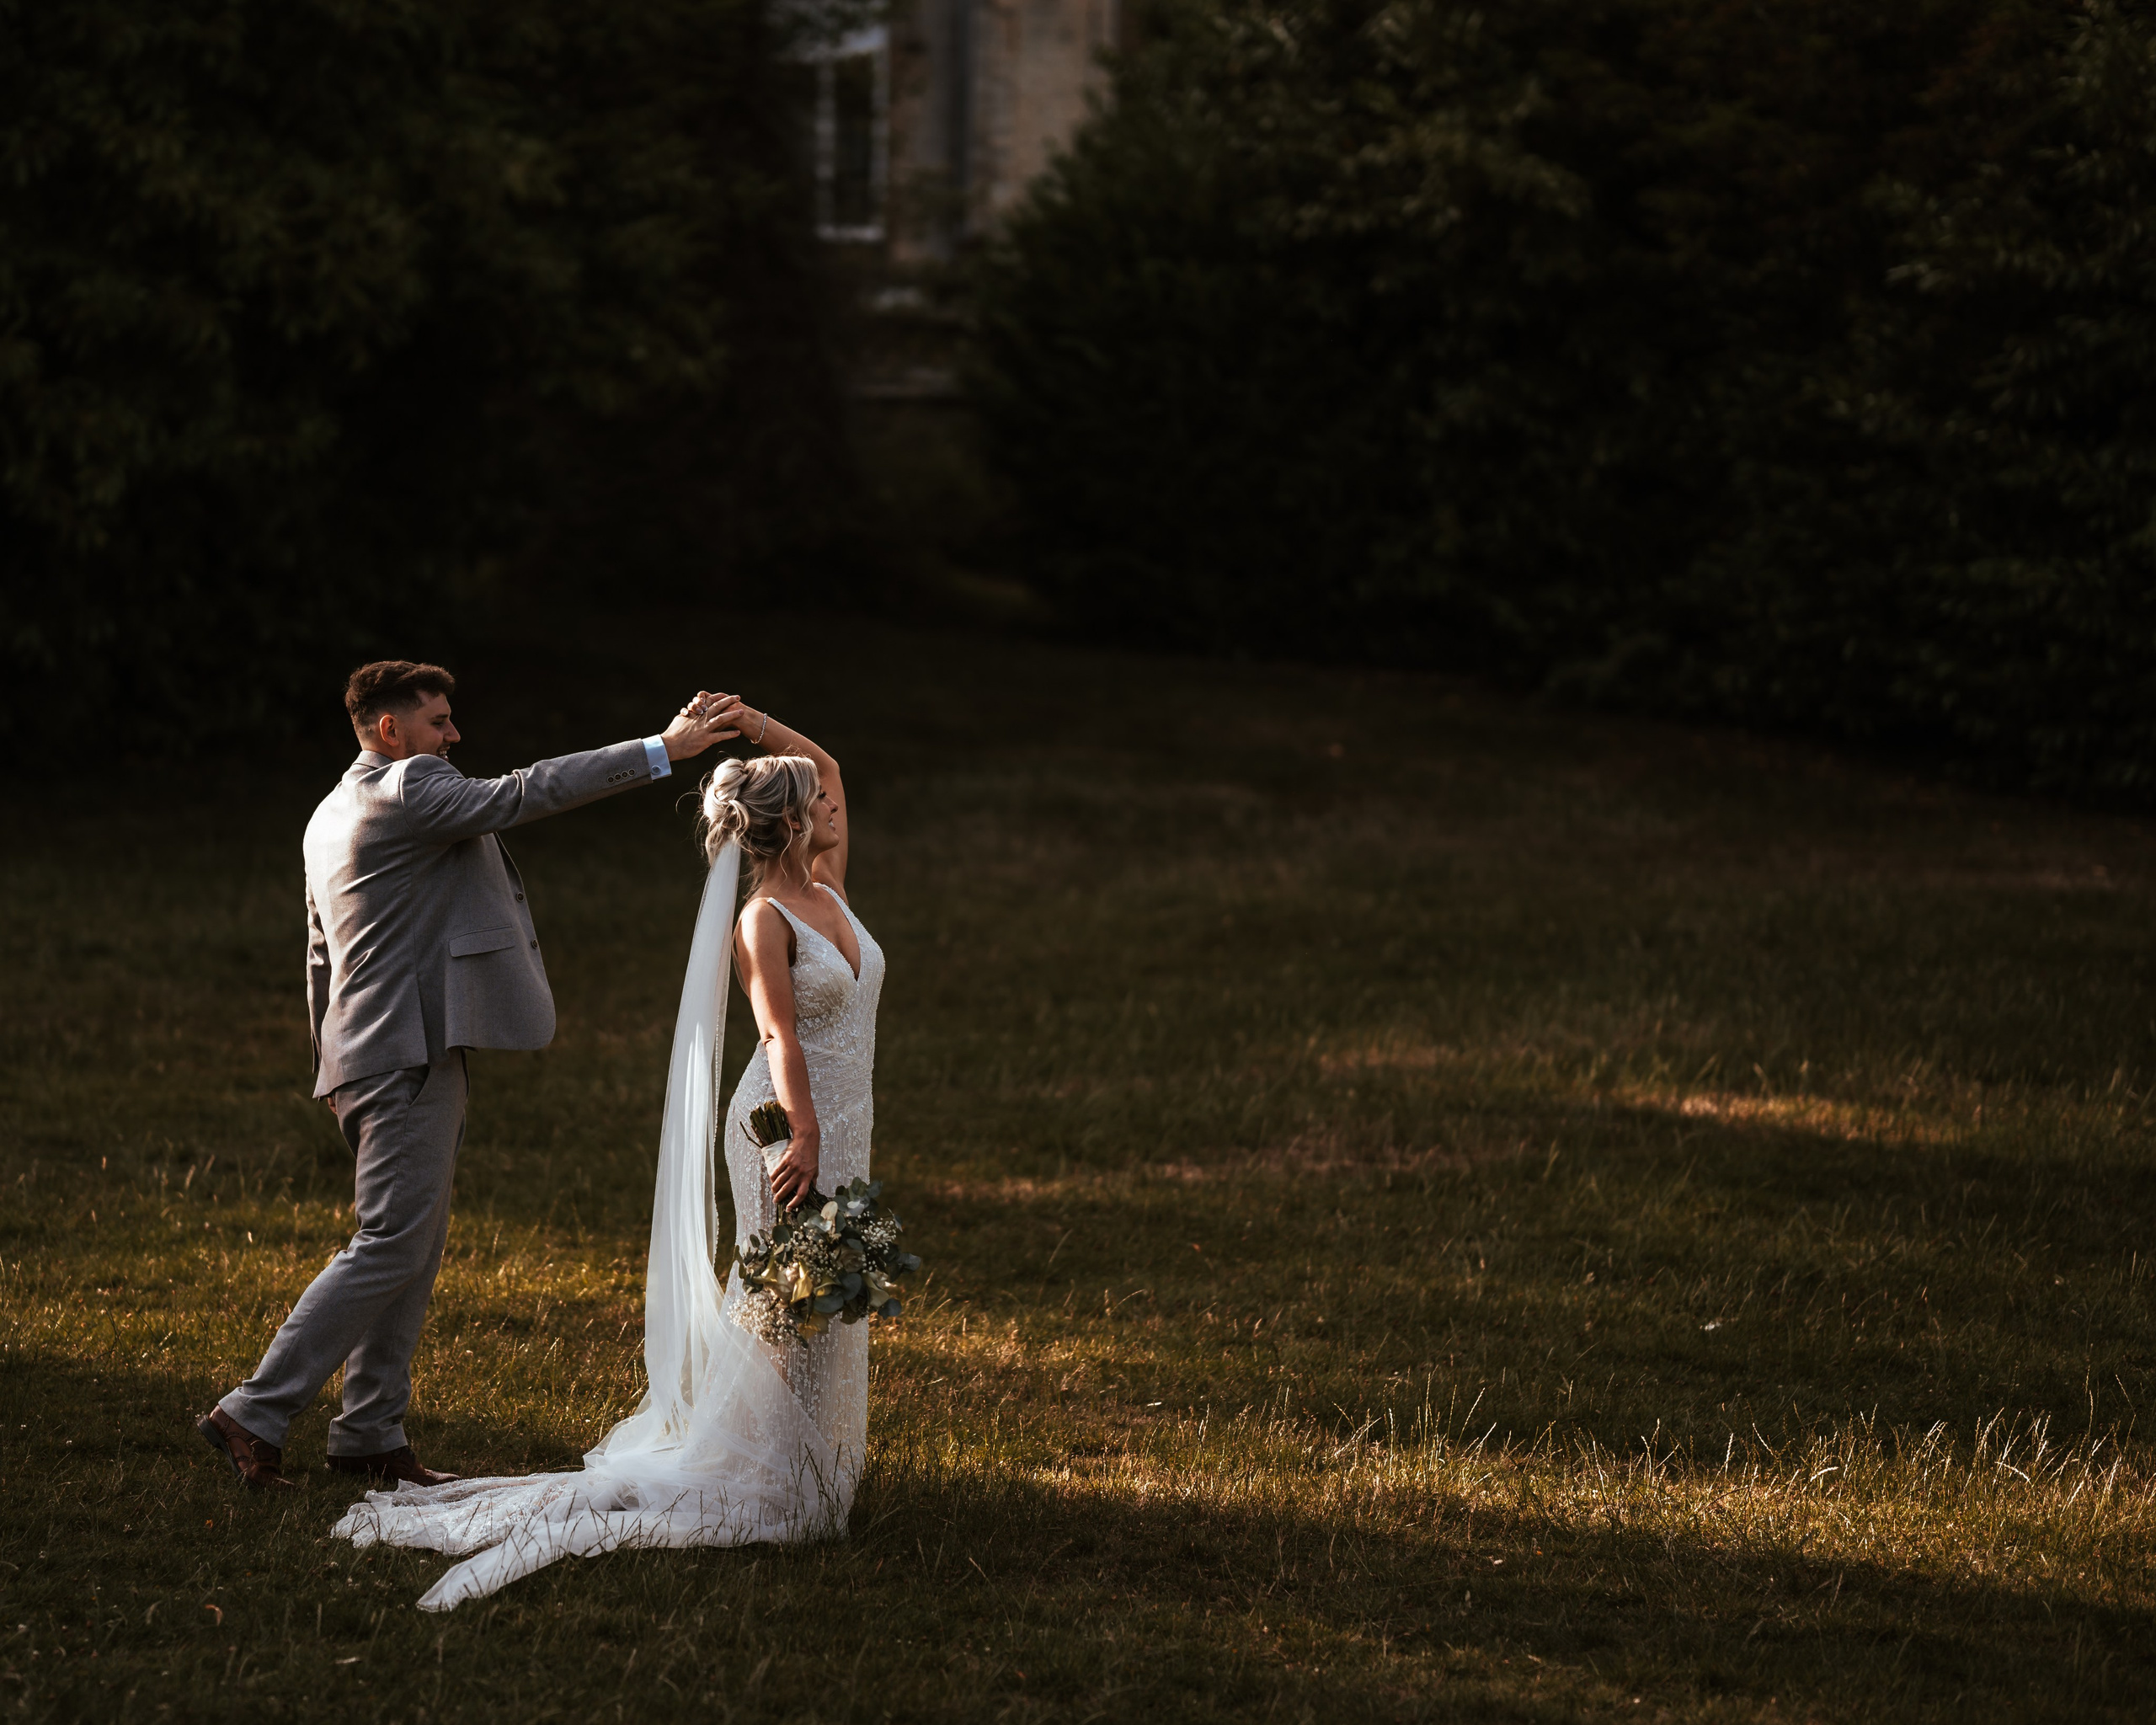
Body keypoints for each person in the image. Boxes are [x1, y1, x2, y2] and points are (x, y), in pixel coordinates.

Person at [328, 699, 889, 1612]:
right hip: (787, 1123)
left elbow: (824, 758)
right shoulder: (762, 918)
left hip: (845, 1118)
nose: (831, 802)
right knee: (785, 1301)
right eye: (812, 801)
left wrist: (748, 717)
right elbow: (778, 1035)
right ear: (787, 821)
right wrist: (809, 1130)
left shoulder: (828, 881)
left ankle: (811, 1465)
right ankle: (767, 1470)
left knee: (823, 1299)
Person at [200, 661, 739, 1492]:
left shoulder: (326, 813)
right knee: (388, 1243)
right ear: (391, 731)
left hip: (367, 1052)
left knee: (409, 1244)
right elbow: (526, 791)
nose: (453, 737)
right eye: (439, 720)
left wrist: (333, 1059)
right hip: (407, 1049)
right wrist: (663, 748)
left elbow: (319, 953)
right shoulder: (410, 788)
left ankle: (370, 1432)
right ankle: (254, 1410)